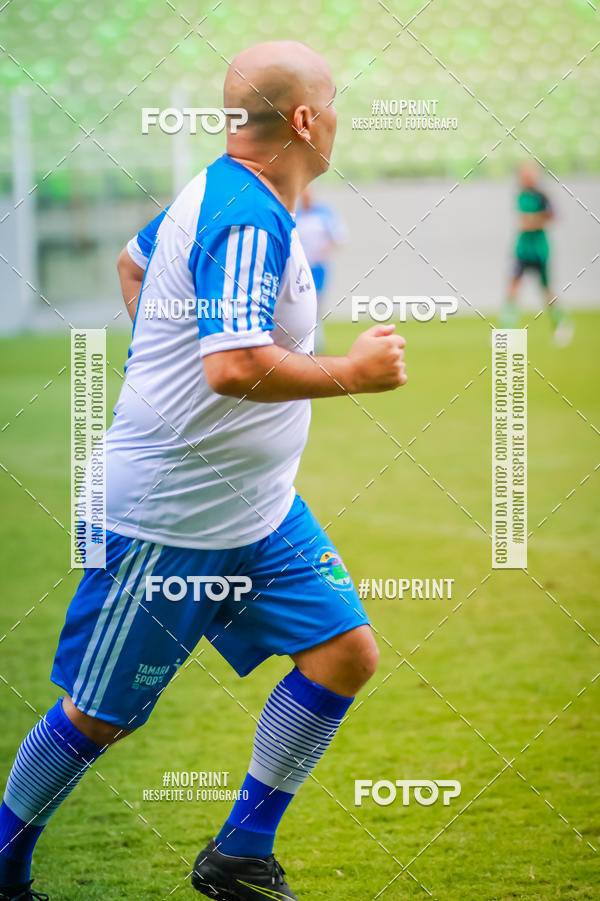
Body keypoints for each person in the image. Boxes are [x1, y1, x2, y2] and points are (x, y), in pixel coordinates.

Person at [0, 41, 407, 901]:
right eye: (335, 102)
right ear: (306, 119)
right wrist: (354, 373)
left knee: (344, 653)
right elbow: (232, 366)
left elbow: (133, 263)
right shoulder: (247, 215)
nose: (340, 117)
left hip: (259, 508)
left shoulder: (221, 191)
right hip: (168, 519)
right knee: (98, 716)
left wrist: (161, 358)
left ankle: (238, 855)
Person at [501, 162, 573, 345]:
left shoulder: (542, 196)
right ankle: (506, 331)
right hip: (522, 251)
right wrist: (539, 219)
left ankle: (560, 324)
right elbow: (526, 221)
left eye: (529, 176)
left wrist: (536, 220)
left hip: (540, 251)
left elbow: (553, 216)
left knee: (546, 290)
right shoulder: (522, 196)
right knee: (512, 288)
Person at [295, 189, 348, 351]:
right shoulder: (296, 215)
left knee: (317, 302)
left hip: (318, 267)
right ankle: (305, 339)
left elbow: (339, 237)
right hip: (301, 268)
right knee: (302, 303)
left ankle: (316, 340)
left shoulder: (324, 214)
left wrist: (323, 251)